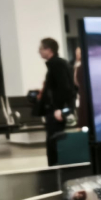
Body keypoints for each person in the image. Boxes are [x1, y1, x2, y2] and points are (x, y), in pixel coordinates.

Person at [38, 37, 76, 167]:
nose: (39, 51)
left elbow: (65, 88)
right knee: (53, 141)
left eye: (41, 48)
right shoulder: (58, 64)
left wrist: (59, 109)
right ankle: (55, 167)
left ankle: (56, 169)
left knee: (54, 142)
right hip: (56, 109)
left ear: (49, 50)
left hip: (56, 111)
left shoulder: (57, 64)